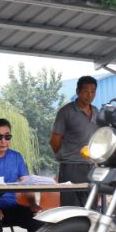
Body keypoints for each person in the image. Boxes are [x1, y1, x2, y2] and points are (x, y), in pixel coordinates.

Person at [50, 75, 99, 206]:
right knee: (70, 207)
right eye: (86, 91)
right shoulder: (66, 112)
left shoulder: (96, 112)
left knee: (91, 207)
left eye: (93, 91)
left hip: (92, 166)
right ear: (78, 91)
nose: (90, 95)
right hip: (71, 166)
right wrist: (63, 157)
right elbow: (54, 140)